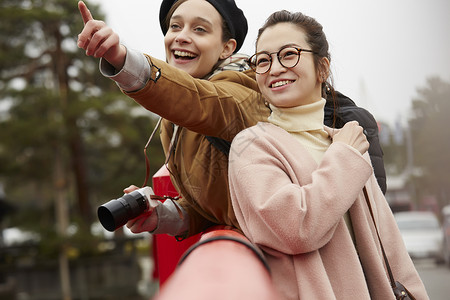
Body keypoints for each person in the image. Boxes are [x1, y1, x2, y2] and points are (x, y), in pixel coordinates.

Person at [228, 10, 428, 299]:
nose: (274, 68)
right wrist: (344, 156)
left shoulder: (343, 141)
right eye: (263, 60)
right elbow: (296, 228)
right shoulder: (251, 146)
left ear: (322, 68)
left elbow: (390, 247)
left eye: (288, 54)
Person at [77, 0, 270, 239]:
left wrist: (121, 57)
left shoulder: (242, 94)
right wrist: (164, 215)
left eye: (200, 29)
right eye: (175, 27)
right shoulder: (173, 120)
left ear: (227, 48)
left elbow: (200, 101)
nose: (181, 37)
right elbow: (216, 207)